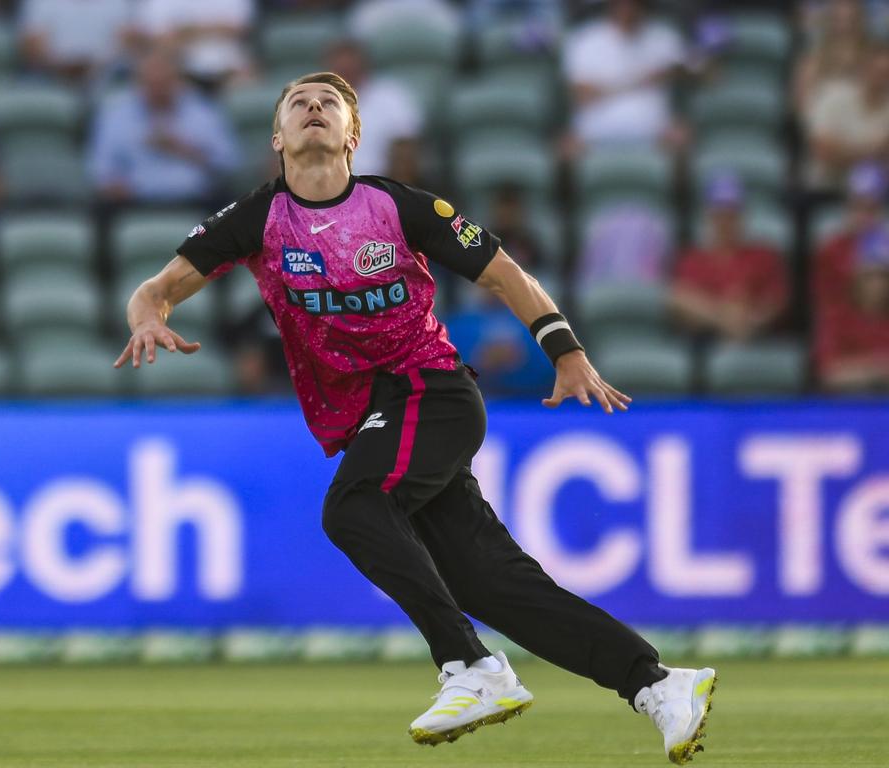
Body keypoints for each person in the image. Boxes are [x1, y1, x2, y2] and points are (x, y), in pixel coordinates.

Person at [114, 71, 716, 765]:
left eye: (329, 104)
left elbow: (503, 274)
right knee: (494, 584)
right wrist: (146, 319)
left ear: (354, 135)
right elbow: (155, 289)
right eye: (299, 105)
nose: (315, 109)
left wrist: (566, 350)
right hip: (377, 416)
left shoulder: (398, 206)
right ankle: (659, 685)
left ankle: (471, 667)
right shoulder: (255, 220)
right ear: (277, 137)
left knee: (354, 508)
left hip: (430, 391)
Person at [87, 47, 240, 206]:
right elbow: (101, 169)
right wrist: (114, 186)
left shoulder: (204, 113)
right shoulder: (116, 117)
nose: (157, 90)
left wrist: (183, 149)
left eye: (164, 83)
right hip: (133, 200)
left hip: (195, 199)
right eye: (150, 84)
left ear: (178, 81)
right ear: (138, 83)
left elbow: (229, 163)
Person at [671, 172, 787, 344]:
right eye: (719, 215)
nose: (725, 221)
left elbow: (776, 301)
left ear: (742, 216)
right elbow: (679, 301)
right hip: (706, 339)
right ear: (709, 217)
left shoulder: (763, 255)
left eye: (731, 214)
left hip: (756, 336)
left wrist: (750, 317)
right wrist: (723, 315)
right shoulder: (693, 259)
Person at [562, 0, 686, 156]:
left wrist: (675, 71)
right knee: (565, 147)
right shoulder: (585, 38)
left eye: (633, 3)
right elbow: (581, 95)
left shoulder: (665, 37)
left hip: (654, 128)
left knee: (682, 136)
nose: (627, 8)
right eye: (621, 3)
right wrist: (641, 80)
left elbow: (707, 72)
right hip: (594, 131)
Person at [324, 40, 423, 178]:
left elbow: (406, 148)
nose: (346, 71)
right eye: (340, 68)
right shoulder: (313, 101)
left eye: (350, 65)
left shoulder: (391, 96)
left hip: (379, 184)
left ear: (364, 64)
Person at [805, 45, 889, 193]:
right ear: (865, 69)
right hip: (827, 187)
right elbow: (823, 151)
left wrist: (843, 150)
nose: (881, 79)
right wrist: (875, 152)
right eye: (878, 72)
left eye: (886, 74)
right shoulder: (832, 96)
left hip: (877, 194)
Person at [814, 225, 889, 391]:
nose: (878, 284)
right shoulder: (836, 318)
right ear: (856, 278)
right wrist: (877, 368)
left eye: (883, 275)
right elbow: (828, 373)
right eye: (870, 275)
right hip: (847, 407)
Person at [813, 162, 889, 317]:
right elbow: (825, 306)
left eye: (871, 208)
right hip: (845, 330)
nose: (863, 216)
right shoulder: (831, 249)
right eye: (856, 206)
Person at [18, 0, 136, 86]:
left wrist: (93, 68)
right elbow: (32, 45)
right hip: (50, 77)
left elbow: (124, 44)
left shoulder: (118, 3)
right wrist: (61, 68)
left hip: (103, 76)